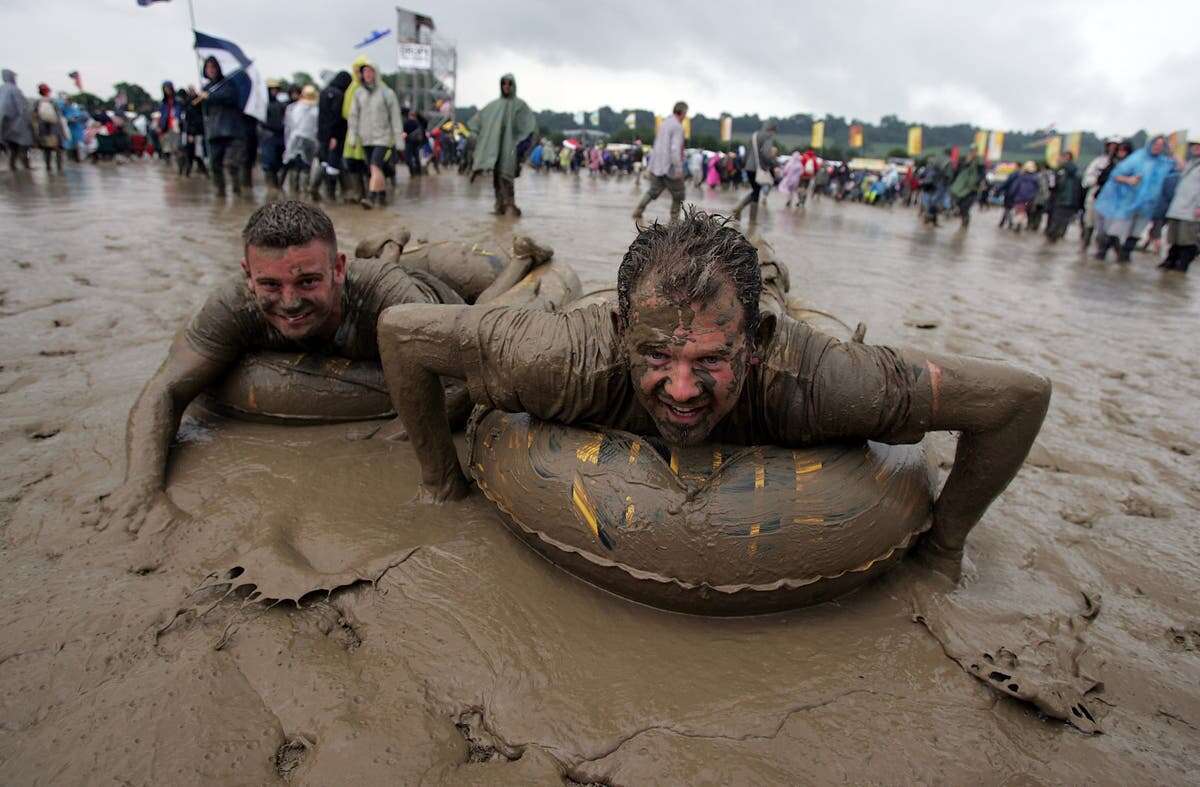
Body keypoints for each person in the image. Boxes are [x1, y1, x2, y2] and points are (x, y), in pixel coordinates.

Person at [376, 209, 1050, 582]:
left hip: (778, 325)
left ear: (752, 342)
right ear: (620, 333)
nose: (680, 389)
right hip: (604, 317)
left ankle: (767, 267)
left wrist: (943, 547)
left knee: (769, 285)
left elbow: (1018, 397)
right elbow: (403, 333)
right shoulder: (558, 358)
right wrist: (443, 485)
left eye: (710, 361)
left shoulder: (821, 380)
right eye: (657, 357)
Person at [101, 200, 554, 537]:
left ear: (338, 269)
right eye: (270, 284)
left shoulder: (387, 297)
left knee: (485, 317)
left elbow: (457, 381)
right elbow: (165, 387)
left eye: (307, 281)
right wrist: (141, 486)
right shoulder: (234, 304)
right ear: (247, 274)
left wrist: (389, 433)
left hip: (437, 301)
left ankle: (519, 263)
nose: (290, 301)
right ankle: (392, 243)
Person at [1093, 135, 1178, 263]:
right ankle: (1102, 253)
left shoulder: (1164, 162)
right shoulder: (1138, 157)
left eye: (1161, 145)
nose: (1157, 147)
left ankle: (1124, 257)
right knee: (1117, 228)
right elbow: (1116, 175)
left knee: (1136, 232)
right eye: (1156, 144)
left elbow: (1182, 168)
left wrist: (1173, 152)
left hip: (1148, 204)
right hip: (1129, 200)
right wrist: (1129, 180)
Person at [468, 74, 536, 216]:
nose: (506, 86)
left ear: (513, 85)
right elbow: (477, 121)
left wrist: (522, 148)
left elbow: (530, 127)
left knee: (507, 176)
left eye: (509, 83)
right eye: (503, 83)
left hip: (510, 149)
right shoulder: (493, 106)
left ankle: (510, 205)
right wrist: (474, 135)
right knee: (497, 177)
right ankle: (499, 206)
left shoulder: (520, 106)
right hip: (495, 149)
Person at [347, 60, 403, 207]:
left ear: (376, 73)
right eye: (365, 72)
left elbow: (395, 118)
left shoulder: (387, 93)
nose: (368, 74)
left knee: (375, 166)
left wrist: (399, 141)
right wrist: (352, 137)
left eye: (370, 71)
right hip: (365, 138)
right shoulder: (358, 94)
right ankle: (382, 195)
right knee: (374, 168)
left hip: (383, 137)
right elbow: (353, 117)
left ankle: (370, 198)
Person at [198, 56, 247, 196]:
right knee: (214, 164)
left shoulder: (228, 84)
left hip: (231, 130)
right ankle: (220, 192)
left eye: (213, 67)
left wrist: (210, 97)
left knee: (231, 164)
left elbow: (231, 98)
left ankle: (237, 191)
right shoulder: (205, 89)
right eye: (208, 67)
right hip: (213, 131)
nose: (211, 70)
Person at [632, 101, 688, 222]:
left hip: (657, 166)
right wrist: (678, 168)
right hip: (670, 166)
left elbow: (657, 145)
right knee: (679, 193)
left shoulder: (664, 124)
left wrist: (650, 166)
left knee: (653, 191)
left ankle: (638, 210)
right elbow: (674, 149)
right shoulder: (677, 126)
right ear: (683, 112)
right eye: (685, 113)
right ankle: (674, 221)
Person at [310, 71, 351, 202]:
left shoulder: (323, 92)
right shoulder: (339, 95)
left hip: (322, 135)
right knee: (332, 164)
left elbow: (321, 117)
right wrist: (334, 136)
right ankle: (330, 194)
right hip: (335, 136)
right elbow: (336, 117)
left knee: (325, 161)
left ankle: (315, 187)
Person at [1160, 140, 1200, 273]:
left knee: (1187, 240)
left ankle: (1182, 266)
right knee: (1174, 238)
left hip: (1191, 210)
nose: (1196, 148)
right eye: (1194, 146)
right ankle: (1170, 261)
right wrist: (1173, 151)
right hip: (1178, 208)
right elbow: (1181, 165)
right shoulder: (1191, 163)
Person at [732, 121, 779, 223]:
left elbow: (746, 153)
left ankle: (746, 215)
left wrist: (744, 165)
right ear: (772, 130)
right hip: (758, 168)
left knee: (755, 191)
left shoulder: (754, 135)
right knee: (756, 191)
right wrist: (773, 164)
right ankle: (749, 217)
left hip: (749, 168)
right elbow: (766, 153)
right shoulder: (768, 137)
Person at [1081, 138, 1119, 247]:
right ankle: (1085, 244)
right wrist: (1097, 180)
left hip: (1113, 199)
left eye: (1115, 146)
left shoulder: (1122, 163)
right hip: (1096, 194)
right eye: (1111, 145)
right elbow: (1087, 178)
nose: (1113, 148)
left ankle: (1103, 248)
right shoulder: (1098, 161)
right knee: (1089, 221)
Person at [282, 84, 319, 193]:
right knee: (305, 166)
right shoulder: (316, 110)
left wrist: (288, 144)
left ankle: (294, 192)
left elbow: (288, 127)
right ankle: (303, 192)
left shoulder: (293, 108)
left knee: (295, 165)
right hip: (309, 141)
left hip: (295, 139)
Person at [1045, 151, 1084, 242]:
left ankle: (1052, 240)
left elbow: (1053, 186)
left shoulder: (1063, 171)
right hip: (1066, 201)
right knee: (1061, 223)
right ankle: (1054, 241)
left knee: (1056, 223)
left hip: (1062, 200)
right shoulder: (1068, 172)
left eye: (1062, 157)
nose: (1059, 159)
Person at [0, 68, 33, 170]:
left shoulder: (2, 89)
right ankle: (25, 166)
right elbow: (22, 107)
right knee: (24, 146)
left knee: (12, 146)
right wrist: (28, 121)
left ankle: (12, 165)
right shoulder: (15, 89)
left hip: (5, 124)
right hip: (19, 123)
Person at [258, 79, 287, 190]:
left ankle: (277, 187)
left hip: (279, 137)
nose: (274, 92)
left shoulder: (281, 105)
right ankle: (272, 188)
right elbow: (261, 122)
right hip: (268, 137)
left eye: (276, 89)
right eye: (272, 89)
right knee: (268, 164)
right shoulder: (263, 105)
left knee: (278, 163)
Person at [32, 83, 66, 172]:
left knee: (47, 149)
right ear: (48, 91)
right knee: (58, 148)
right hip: (55, 129)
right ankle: (59, 167)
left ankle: (48, 167)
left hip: (43, 129)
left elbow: (34, 115)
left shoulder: (37, 102)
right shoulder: (53, 101)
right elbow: (59, 115)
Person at [948, 149, 985, 227]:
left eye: (974, 152)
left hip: (972, 189)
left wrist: (981, 183)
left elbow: (982, 174)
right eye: (971, 151)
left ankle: (965, 222)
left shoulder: (979, 163)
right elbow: (956, 172)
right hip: (961, 187)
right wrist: (967, 162)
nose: (972, 154)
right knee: (958, 203)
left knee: (966, 206)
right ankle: (963, 220)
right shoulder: (963, 162)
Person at [157, 81, 181, 163]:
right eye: (165, 89)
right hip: (166, 127)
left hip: (176, 127)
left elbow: (179, 113)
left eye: (168, 88)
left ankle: (178, 167)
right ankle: (168, 166)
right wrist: (160, 126)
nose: (167, 90)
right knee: (166, 149)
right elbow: (161, 116)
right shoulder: (163, 103)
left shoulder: (178, 101)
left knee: (176, 148)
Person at [403, 108, 426, 177]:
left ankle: (412, 172)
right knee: (416, 157)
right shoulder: (419, 123)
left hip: (408, 142)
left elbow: (404, 133)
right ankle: (419, 172)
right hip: (417, 142)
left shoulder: (406, 122)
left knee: (408, 157)